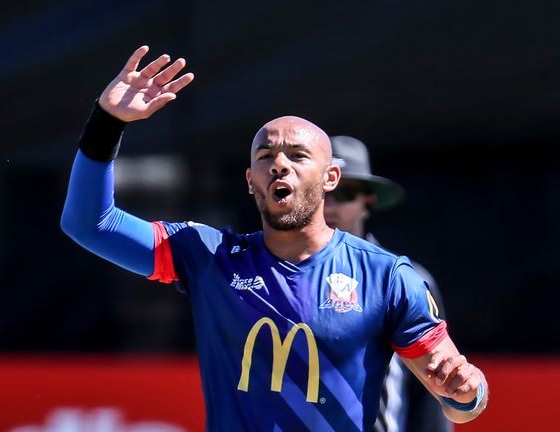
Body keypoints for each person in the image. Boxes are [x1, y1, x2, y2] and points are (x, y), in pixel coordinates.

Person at [61, 45, 488, 431]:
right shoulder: (209, 257)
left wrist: (469, 391)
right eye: (266, 157)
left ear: (330, 178)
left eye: (297, 156)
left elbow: (456, 402)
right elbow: (89, 224)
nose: (279, 164)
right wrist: (108, 122)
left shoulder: (387, 275)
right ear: (251, 181)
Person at [324, 136, 451, 432]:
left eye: (345, 193)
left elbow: (433, 389)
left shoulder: (405, 279)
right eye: (322, 191)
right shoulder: (285, 275)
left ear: (368, 200)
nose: (330, 204)